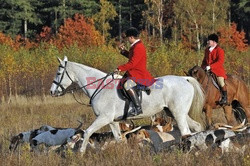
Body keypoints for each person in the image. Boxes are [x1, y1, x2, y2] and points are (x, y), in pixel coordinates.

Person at [115, 27, 155, 116]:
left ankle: (138, 108)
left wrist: (119, 68)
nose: (128, 40)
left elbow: (132, 63)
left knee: (127, 85)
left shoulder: (138, 47)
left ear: (131, 37)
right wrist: (123, 51)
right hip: (134, 71)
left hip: (138, 73)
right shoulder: (136, 46)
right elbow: (132, 57)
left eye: (128, 38)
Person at [201, 33, 228, 105]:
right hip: (207, 71)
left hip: (217, 71)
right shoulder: (207, 50)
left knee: (220, 82)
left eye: (209, 41)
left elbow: (220, 62)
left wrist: (211, 67)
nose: (207, 42)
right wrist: (202, 68)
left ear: (214, 42)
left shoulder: (220, 50)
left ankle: (225, 98)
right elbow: (204, 61)